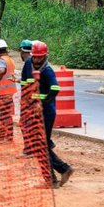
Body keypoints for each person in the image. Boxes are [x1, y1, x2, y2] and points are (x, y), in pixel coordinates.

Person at [25, 41, 74, 188]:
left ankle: (54, 177)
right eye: (35, 57)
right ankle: (62, 170)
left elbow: (55, 88)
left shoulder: (47, 70)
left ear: (45, 56)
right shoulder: (29, 65)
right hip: (34, 111)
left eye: (40, 58)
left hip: (46, 112)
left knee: (40, 145)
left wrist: (44, 100)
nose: (37, 60)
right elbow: (26, 83)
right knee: (40, 144)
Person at [18, 39, 37, 156]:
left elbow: (30, 81)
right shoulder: (34, 62)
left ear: (22, 51)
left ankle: (29, 149)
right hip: (32, 97)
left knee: (25, 123)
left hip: (28, 98)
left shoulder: (28, 63)